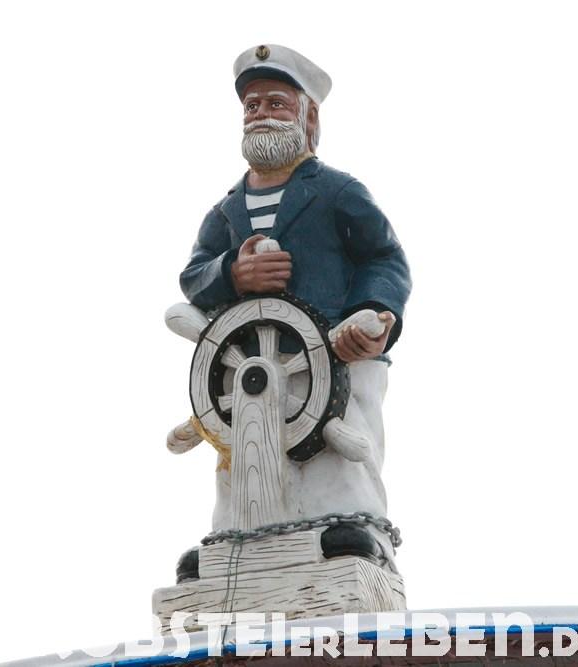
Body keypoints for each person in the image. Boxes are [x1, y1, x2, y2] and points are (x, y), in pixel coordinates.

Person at [177, 45, 411, 578]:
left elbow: (384, 258)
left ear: (308, 117)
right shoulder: (226, 210)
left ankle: (352, 531)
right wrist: (233, 273)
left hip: (335, 358)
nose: (260, 113)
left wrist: (374, 313)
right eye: (251, 106)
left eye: (276, 103)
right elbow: (194, 275)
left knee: (338, 457)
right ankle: (237, 539)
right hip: (248, 369)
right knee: (242, 453)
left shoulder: (337, 192)